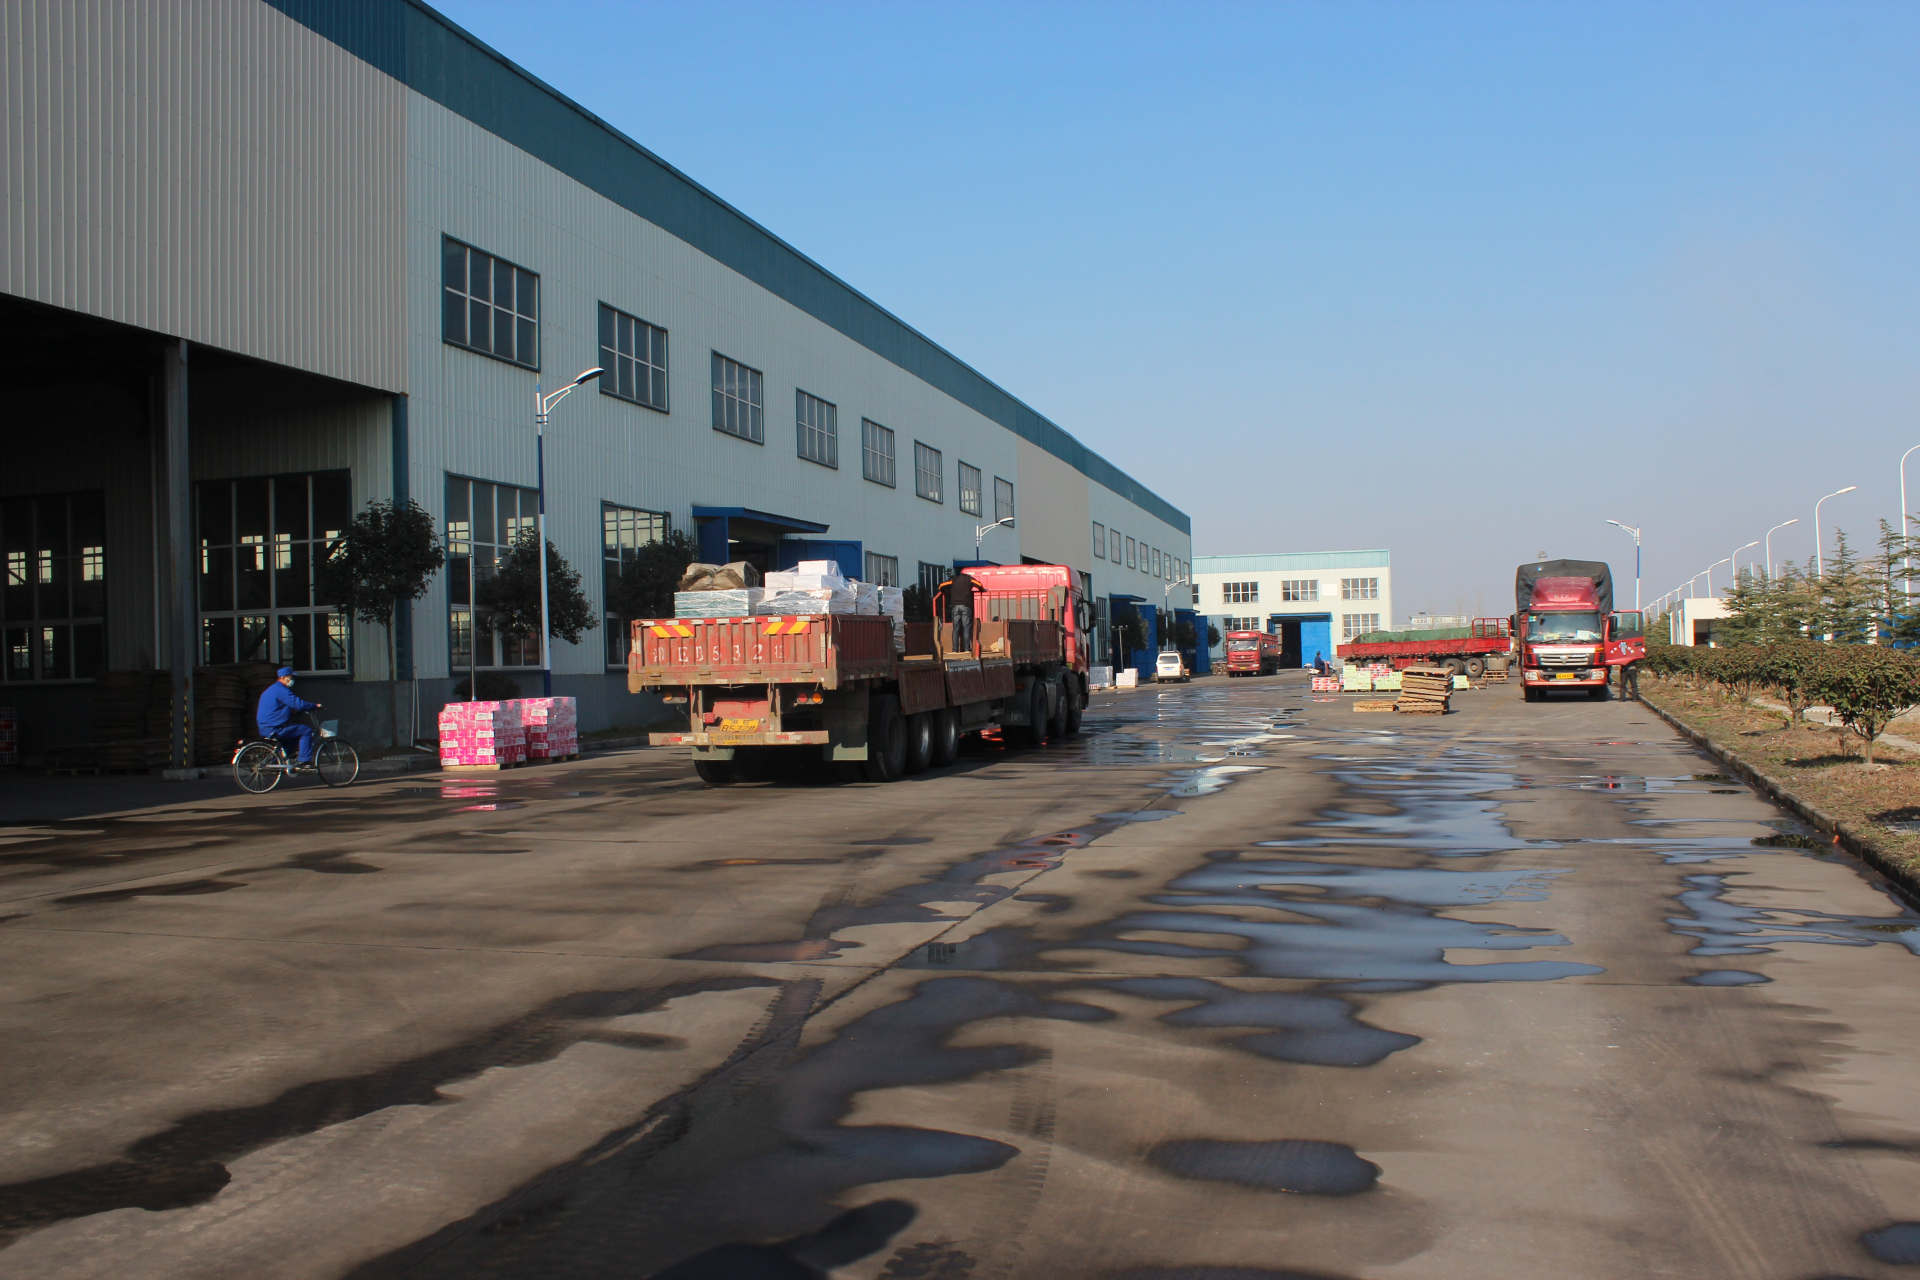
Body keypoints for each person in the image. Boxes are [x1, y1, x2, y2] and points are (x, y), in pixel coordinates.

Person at [257, 666, 322, 770]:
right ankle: (304, 761)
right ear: (283, 677)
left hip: (266, 726)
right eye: (291, 677)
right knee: (306, 730)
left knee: (291, 736)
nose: (292, 680)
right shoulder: (281, 690)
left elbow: (279, 707)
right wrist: (314, 706)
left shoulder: (271, 689)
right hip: (275, 727)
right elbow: (297, 703)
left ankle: (282, 762)